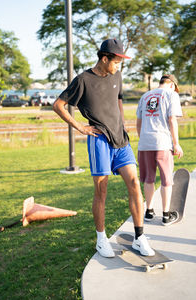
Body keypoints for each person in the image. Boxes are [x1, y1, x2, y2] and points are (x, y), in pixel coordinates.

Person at [53, 39, 154, 257]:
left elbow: (117, 100)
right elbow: (58, 105)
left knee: (135, 184)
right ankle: (101, 239)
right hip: (99, 140)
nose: (119, 66)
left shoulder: (116, 75)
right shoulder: (82, 80)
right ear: (104, 58)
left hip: (121, 139)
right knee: (102, 191)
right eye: (116, 61)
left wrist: (121, 122)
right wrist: (80, 127)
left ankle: (139, 237)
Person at [136, 74, 183, 226]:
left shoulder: (145, 96)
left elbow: (139, 122)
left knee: (149, 179)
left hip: (145, 144)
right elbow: (172, 119)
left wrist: (143, 138)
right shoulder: (171, 95)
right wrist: (176, 143)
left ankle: (148, 212)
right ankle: (166, 216)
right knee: (166, 180)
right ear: (172, 85)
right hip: (162, 143)